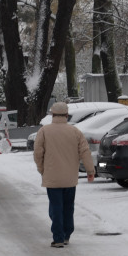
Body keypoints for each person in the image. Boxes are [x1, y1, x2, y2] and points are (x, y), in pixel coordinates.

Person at [33, 102, 96, 247]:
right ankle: (67, 234)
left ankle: (58, 238)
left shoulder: (44, 131)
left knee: (55, 208)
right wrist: (90, 171)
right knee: (68, 207)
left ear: (52, 115)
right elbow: (85, 151)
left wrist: (42, 169)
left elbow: (38, 153)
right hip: (70, 178)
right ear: (67, 115)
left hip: (52, 177)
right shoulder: (75, 131)